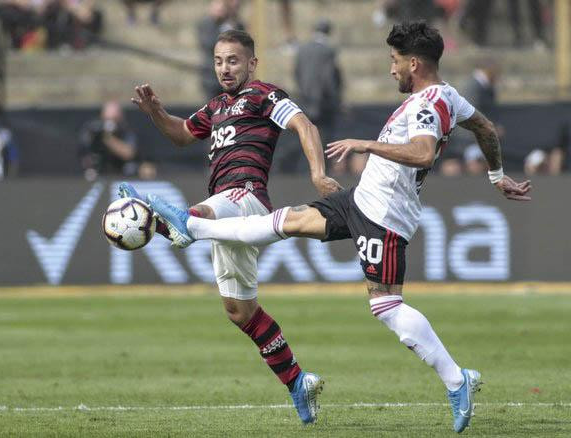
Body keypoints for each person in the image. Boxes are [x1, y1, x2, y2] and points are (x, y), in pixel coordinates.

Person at [146, 22, 532, 433]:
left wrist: (365, 144)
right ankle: (190, 227)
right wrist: (497, 176)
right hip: (360, 198)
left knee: (386, 307)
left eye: (395, 62)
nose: (391, 70)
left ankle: (458, 381)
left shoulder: (426, 104)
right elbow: (486, 129)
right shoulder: (448, 96)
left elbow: (421, 154)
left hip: (383, 215)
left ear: (414, 63)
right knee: (283, 223)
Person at [122, 29, 341, 424]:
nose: (225, 68)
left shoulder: (263, 95)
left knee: (198, 215)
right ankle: (298, 383)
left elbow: (305, 126)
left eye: (234, 60)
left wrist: (318, 174)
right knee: (239, 311)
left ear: (252, 63)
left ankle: (173, 220)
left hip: (245, 196)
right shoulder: (216, 106)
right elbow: (181, 134)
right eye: (220, 60)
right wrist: (155, 111)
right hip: (227, 213)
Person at [293, 18, 343, 173]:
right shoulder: (328, 50)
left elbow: (297, 73)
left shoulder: (302, 49)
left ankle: (305, 171)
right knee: (325, 140)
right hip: (324, 103)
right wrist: (335, 100)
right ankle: (323, 171)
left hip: (306, 101)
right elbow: (329, 78)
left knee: (306, 137)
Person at [197, 0, 245, 101]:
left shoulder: (236, 24)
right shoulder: (206, 24)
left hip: (232, 78)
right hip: (211, 77)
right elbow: (209, 44)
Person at [78, 100, 138, 181]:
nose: (110, 123)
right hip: (96, 174)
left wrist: (108, 138)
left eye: (114, 119)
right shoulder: (92, 129)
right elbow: (84, 151)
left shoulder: (125, 131)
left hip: (120, 173)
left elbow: (129, 153)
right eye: (108, 119)